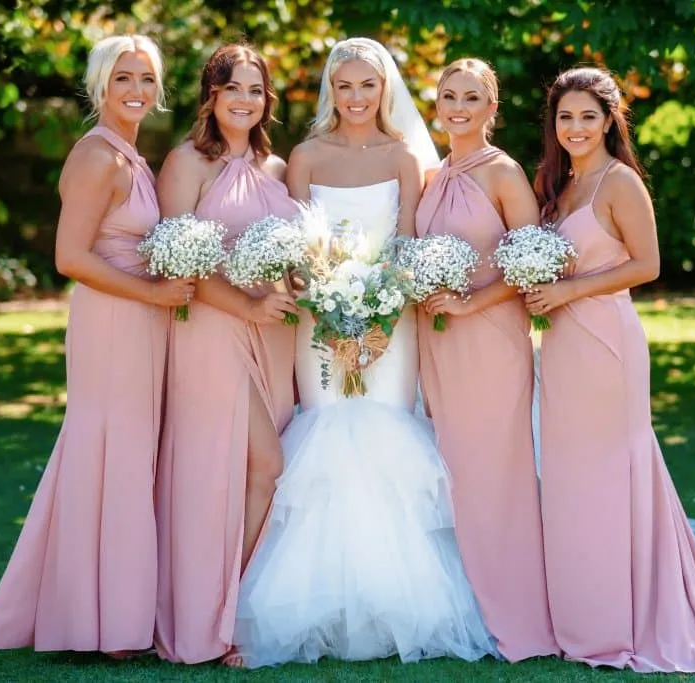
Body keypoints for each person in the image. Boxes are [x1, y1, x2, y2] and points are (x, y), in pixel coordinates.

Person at [233, 38, 495, 668]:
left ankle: (398, 608)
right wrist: (328, 310)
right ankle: (313, 611)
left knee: (386, 439)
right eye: (344, 86)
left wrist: (377, 320)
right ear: (331, 89)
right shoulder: (305, 157)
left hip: (391, 327)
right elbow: (299, 255)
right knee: (325, 438)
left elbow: (406, 247)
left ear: (385, 90)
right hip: (318, 325)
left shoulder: (405, 157)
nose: (356, 97)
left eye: (367, 86)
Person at [527, 65, 695, 672]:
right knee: (568, 478)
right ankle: (582, 616)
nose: (576, 127)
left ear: (609, 121)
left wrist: (569, 290)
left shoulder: (620, 182)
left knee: (611, 474)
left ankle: (629, 618)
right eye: (565, 116)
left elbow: (647, 265)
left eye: (588, 116)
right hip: (559, 345)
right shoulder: (556, 184)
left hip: (607, 343)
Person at [0, 34, 193, 656]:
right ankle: (104, 624)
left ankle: (107, 614)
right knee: (111, 455)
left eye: (146, 78)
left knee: (125, 455)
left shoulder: (132, 157)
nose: (136, 90)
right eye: (123, 78)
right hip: (113, 322)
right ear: (99, 86)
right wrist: (152, 293)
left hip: (141, 318)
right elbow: (69, 257)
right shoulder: (98, 157)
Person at [152, 44, 298, 666]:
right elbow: (173, 261)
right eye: (232, 87)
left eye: (255, 89)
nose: (244, 99)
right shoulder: (186, 162)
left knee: (251, 473)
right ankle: (206, 620)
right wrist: (248, 306)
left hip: (275, 334)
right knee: (250, 466)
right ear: (210, 95)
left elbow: (294, 253)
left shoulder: (277, 167)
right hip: (212, 330)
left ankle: (231, 610)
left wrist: (305, 285)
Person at [415, 58, 560, 663]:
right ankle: (468, 607)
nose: (458, 108)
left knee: (496, 474)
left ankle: (519, 613)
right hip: (437, 342)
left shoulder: (503, 173)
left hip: (492, 340)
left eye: (471, 98)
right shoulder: (431, 175)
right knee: (453, 471)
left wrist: (471, 301)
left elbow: (533, 262)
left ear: (491, 108)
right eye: (449, 96)